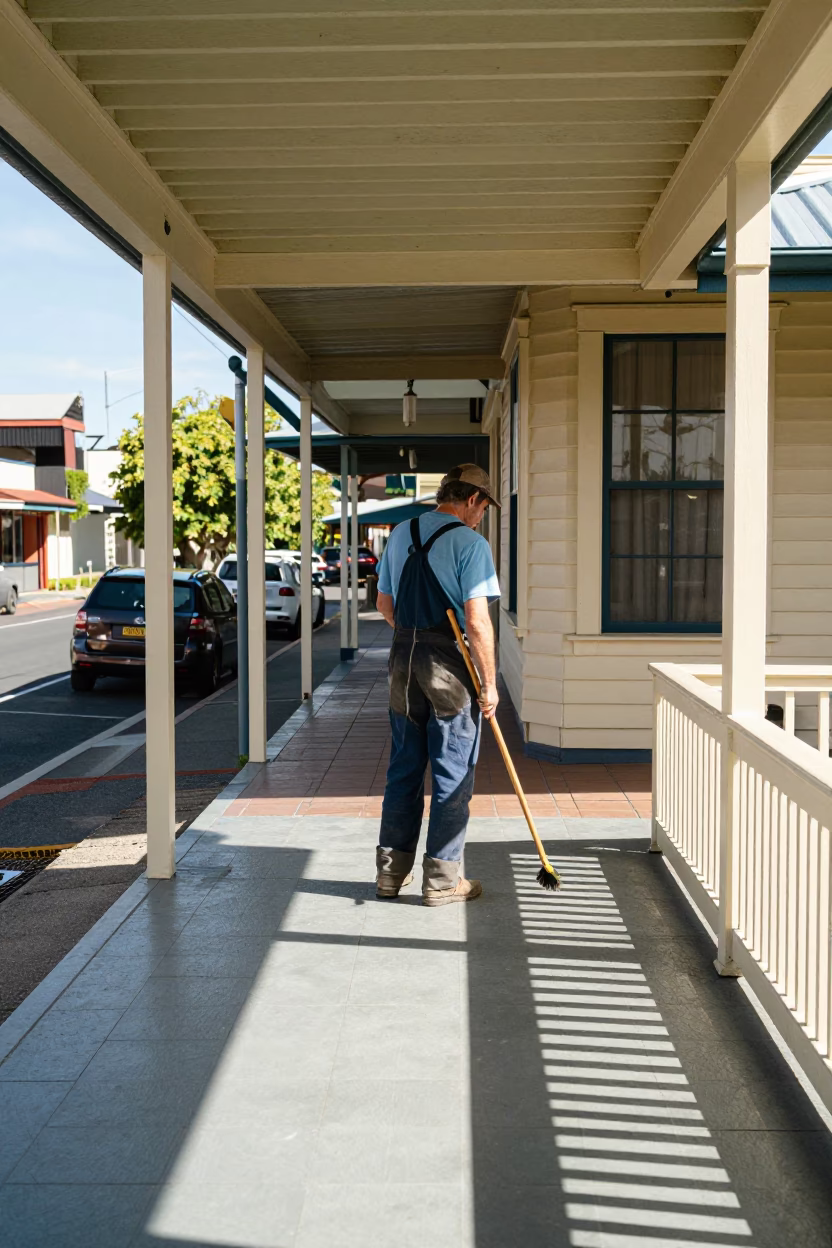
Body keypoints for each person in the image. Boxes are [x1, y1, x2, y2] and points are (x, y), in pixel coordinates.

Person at [374, 464, 501, 906]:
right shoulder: (470, 543)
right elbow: (477, 622)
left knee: (404, 767)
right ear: (472, 500)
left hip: (401, 661)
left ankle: (390, 875)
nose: (482, 516)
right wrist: (489, 684)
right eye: (484, 507)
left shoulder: (400, 532)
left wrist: (412, 634)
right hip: (448, 664)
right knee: (452, 772)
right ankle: (444, 881)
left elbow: (383, 603)